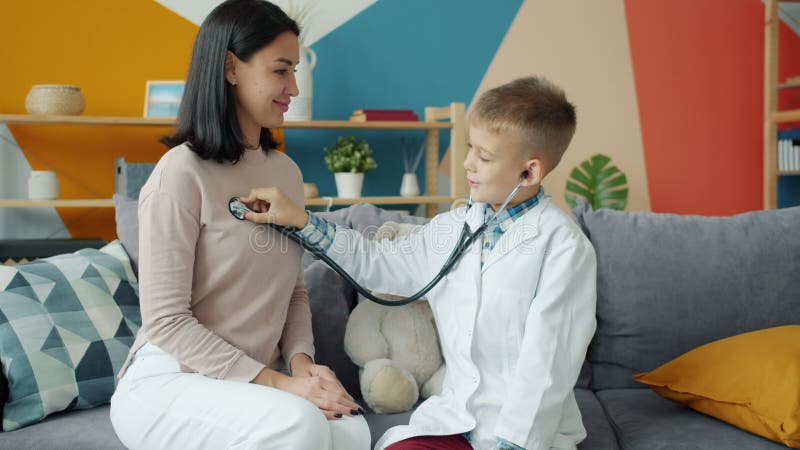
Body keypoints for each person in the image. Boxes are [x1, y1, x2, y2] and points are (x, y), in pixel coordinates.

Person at [241, 76, 598, 450]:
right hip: (454, 421)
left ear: (530, 172)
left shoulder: (564, 247)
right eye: (470, 148)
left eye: (484, 156)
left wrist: (516, 443)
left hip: (522, 434)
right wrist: (301, 220)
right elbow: (377, 262)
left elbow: (549, 360)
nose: (467, 163)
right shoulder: (453, 228)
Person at [109, 1, 370, 449]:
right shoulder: (180, 173)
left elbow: (292, 290)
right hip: (170, 378)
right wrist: (277, 383)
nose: (293, 87)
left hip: (246, 384)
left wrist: (302, 363)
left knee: (350, 430)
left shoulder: (284, 172)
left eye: (294, 72)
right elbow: (167, 320)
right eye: (280, 70)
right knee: (300, 426)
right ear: (231, 67)